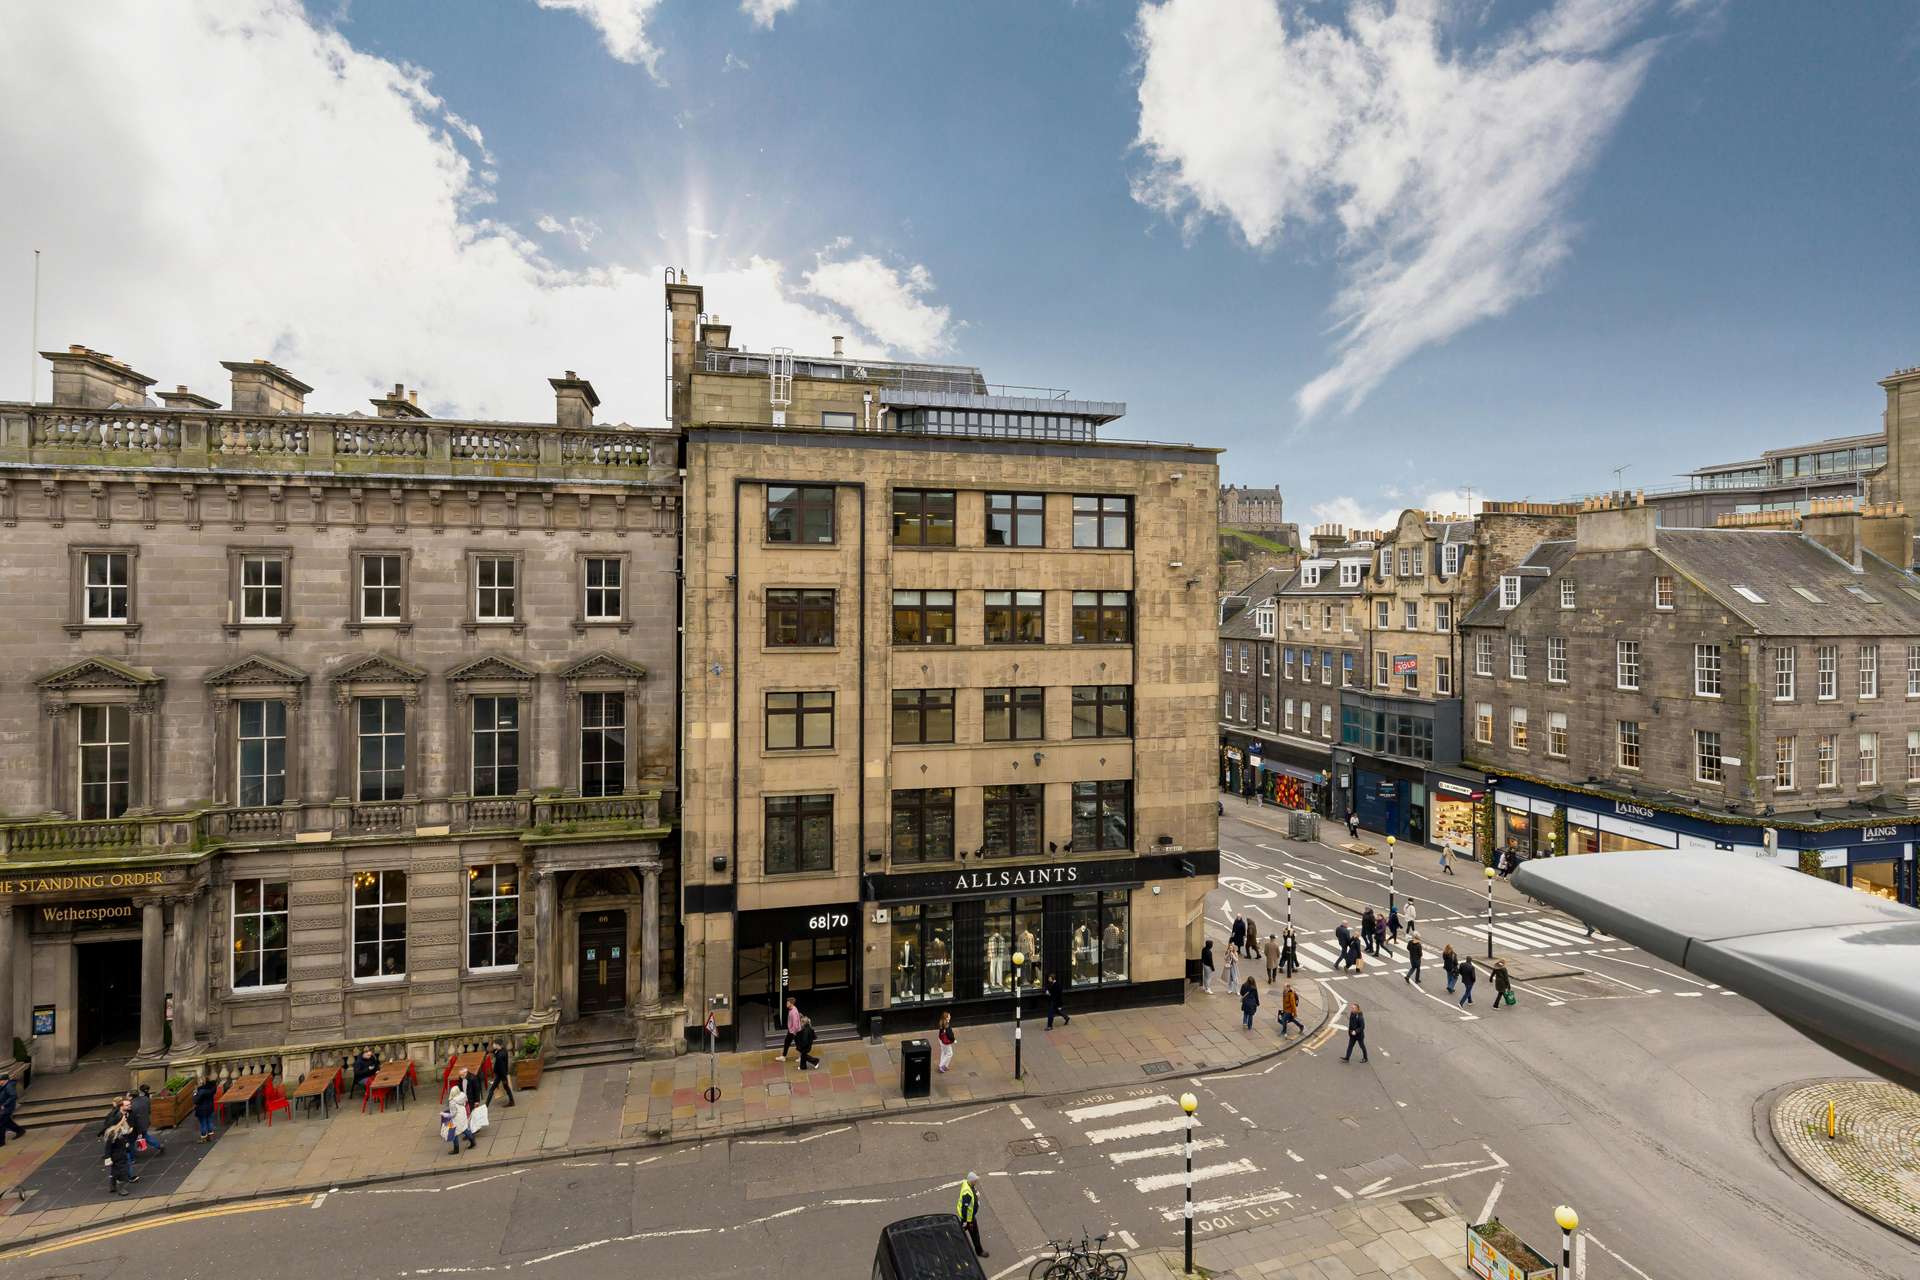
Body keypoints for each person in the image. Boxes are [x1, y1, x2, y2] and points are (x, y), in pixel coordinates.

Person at [956, 1172, 988, 1258]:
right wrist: (967, 1221)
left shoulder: (967, 1184)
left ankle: (955, 1239)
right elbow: (964, 1209)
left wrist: (976, 1194)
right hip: (969, 1219)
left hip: (967, 1218)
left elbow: (972, 1190)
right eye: (975, 1180)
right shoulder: (967, 1193)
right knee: (975, 1234)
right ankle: (979, 1251)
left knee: (961, 1230)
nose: (976, 1182)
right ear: (971, 1181)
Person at [104, 1113, 135, 1195]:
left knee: (115, 1170)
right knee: (122, 1171)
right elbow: (108, 1147)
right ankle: (121, 1189)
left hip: (122, 1153)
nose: (125, 1120)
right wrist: (107, 1157)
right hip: (117, 1156)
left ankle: (112, 1185)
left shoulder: (122, 1130)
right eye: (124, 1119)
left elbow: (124, 1139)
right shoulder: (113, 1133)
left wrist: (126, 1144)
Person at [442, 1078, 474, 1155]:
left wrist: (445, 1115)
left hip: (456, 1119)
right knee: (464, 1129)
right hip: (463, 1115)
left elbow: (453, 1114)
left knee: (454, 1133)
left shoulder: (452, 1102)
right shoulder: (462, 1095)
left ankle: (456, 1149)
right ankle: (472, 1141)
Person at [130, 1083, 163, 1156]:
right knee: (144, 1136)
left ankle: (131, 1157)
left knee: (131, 1140)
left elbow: (133, 1116)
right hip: (145, 1121)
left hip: (137, 1124)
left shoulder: (132, 1104)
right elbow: (149, 1110)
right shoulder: (145, 1099)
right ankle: (158, 1145)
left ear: (131, 1096)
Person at [486, 1040, 515, 1108]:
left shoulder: (500, 1055)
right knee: (506, 1088)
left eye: (494, 1044)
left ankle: (486, 1105)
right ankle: (512, 1101)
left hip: (500, 1075)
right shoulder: (503, 1050)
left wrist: (504, 1078)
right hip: (502, 1074)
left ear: (497, 1045)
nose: (493, 1045)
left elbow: (502, 1068)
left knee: (492, 1089)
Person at [193, 1075, 219, 1142]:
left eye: (199, 1082)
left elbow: (195, 1101)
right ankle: (210, 1136)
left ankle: (203, 1137)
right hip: (210, 1108)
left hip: (202, 1110)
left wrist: (195, 1093)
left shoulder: (201, 1091)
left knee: (203, 1123)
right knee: (209, 1122)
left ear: (202, 1083)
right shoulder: (211, 1089)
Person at [0, 1074, 24, 1146]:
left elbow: (13, 1095)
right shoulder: (4, 1086)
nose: (0, 1082)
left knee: (1, 1124)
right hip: (4, 1108)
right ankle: (20, 1130)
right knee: (7, 1122)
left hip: (7, 1108)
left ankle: (1, 1142)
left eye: (0, 1080)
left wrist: (5, 1104)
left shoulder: (9, 1086)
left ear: (5, 1080)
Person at [779, 997, 803, 1062]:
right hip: (792, 1030)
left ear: (791, 1003)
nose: (786, 1004)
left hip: (794, 1031)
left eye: (788, 1003)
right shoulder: (792, 1009)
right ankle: (783, 1056)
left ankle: (802, 1057)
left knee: (797, 1044)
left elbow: (795, 1024)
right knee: (788, 1042)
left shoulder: (793, 1012)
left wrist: (793, 1033)